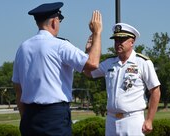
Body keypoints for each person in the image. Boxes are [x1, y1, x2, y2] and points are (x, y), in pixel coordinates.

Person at [12, 2, 102, 136]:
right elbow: (93, 63)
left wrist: (26, 118)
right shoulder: (60, 45)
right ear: (54, 22)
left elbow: (18, 88)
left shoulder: (23, 48)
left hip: (29, 117)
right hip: (54, 117)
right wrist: (97, 33)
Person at [84, 23, 160, 136]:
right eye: (116, 40)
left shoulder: (143, 62)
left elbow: (155, 91)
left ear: (132, 42)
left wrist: (149, 120)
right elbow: (88, 72)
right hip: (111, 120)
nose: (118, 43)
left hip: (132, 120)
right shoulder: (109, 62)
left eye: (122, 40)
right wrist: (89, 52)